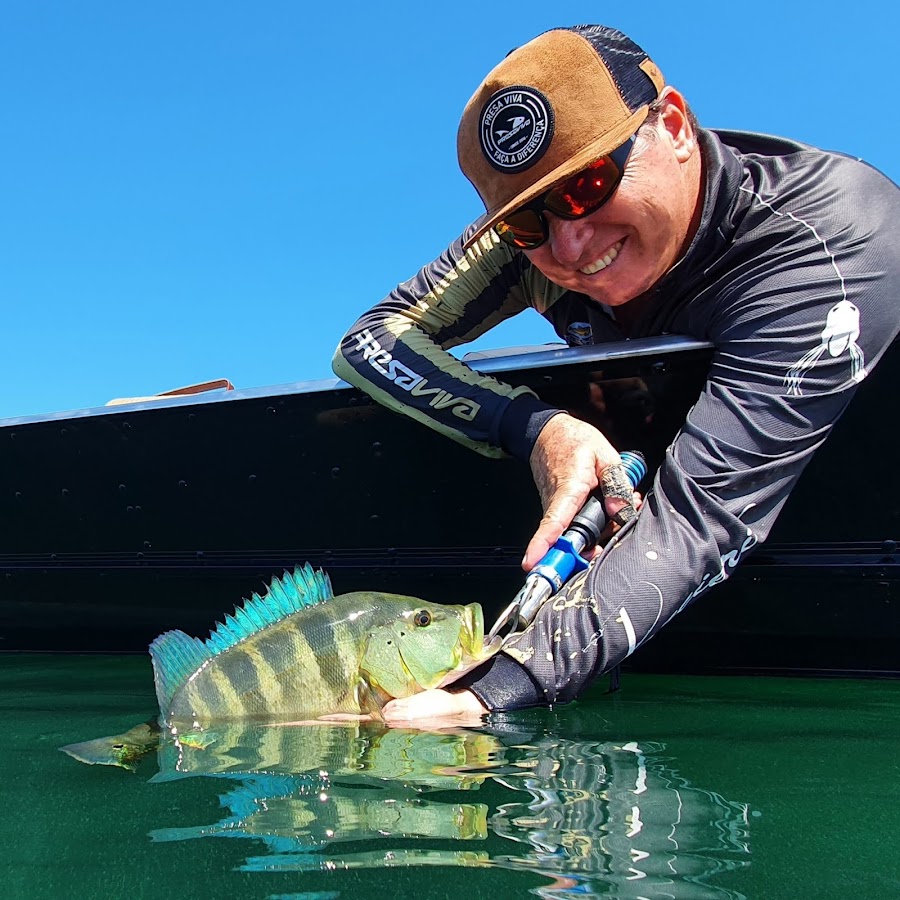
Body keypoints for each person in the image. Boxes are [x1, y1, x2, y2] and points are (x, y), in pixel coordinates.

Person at [332, 25, 900, 721]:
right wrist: (537, 429)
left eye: (588, 184)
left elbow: (698, 518)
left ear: (674, 125)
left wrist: (488, 694)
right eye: (523, 225)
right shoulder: (541, 234)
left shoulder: (825, 236)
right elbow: (369, 341)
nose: (570, 244)